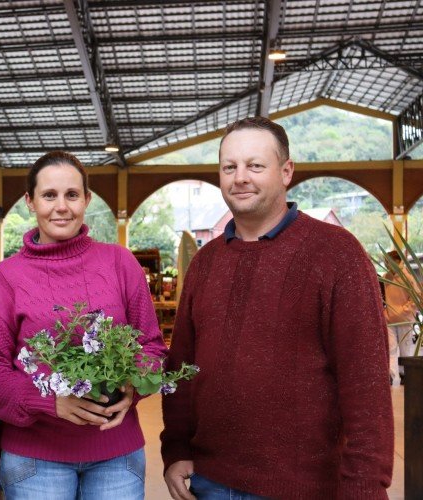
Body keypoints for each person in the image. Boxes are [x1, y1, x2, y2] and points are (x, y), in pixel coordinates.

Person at [161, 116, 393, 499]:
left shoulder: (336, 253)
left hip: (305, 487)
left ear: (286, 172)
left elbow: (365, 385)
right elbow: (181, 368)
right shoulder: (205, 262)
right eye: (229, 167)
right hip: (210, 481)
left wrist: (365, 488)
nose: (240, 178)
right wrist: (177, 448)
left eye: (255, 165)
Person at [0, 151, 167, 499]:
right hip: (35, 458)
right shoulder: (7, 277)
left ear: (87, 199)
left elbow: (153, 348)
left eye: (72, 195)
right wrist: (51, 403)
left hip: (116, 455)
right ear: (30, 202)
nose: (61, 206)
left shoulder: (120, 263)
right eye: (49, 195)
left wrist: (131, 389)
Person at [384, 250, 421, 385]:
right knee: (391, 348)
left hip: (405, 319)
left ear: (398, 261)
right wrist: (385, 313)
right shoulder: (386, 276)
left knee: (405, 349)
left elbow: (416, 298)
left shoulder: (407, 277)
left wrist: (405, 310)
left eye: (389, 261)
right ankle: (390, 375)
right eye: (386, 261)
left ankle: (405, 374)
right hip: (389, 320)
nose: (387, 263)